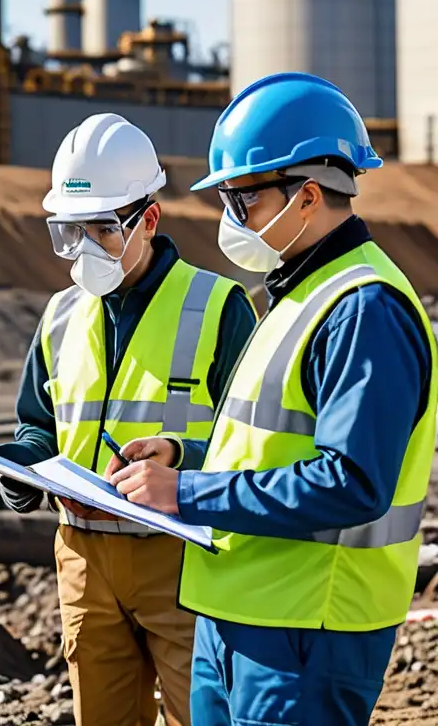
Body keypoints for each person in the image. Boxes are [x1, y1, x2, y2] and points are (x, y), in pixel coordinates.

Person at [105, 73, 437, 725]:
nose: (232, 221)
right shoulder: (295, 295)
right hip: (238, 617)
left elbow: (351, 482)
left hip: (305, 632)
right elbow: (268, 445)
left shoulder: (363, 308)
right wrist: (183, 458)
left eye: (242, 201)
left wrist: (187, 495)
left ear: (308, 195)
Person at [0, 113, 257, 726]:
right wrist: (21, 467)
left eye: (103, 229)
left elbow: (252, 443)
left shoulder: (219, 308)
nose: (84, 248)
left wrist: (181, 457)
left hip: (184, 559)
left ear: (150, 219)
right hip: (83, 558)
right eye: (69, 231)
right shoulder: (59, 317)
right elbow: (39, 425)